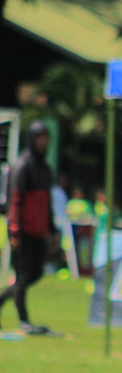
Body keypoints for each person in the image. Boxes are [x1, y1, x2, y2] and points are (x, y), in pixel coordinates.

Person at [0, 120, 56, 334]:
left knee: (36, 274)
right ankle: (24, 320)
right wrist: (14, 232)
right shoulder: (23, 166)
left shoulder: (44, 168)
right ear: (32, 139)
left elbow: (47, 202)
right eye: (40, 138)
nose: (43, 143)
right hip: (22, 230)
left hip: (38, 231)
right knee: (23, 276)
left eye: (46, 139)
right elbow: (15, 201)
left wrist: (51, 229)